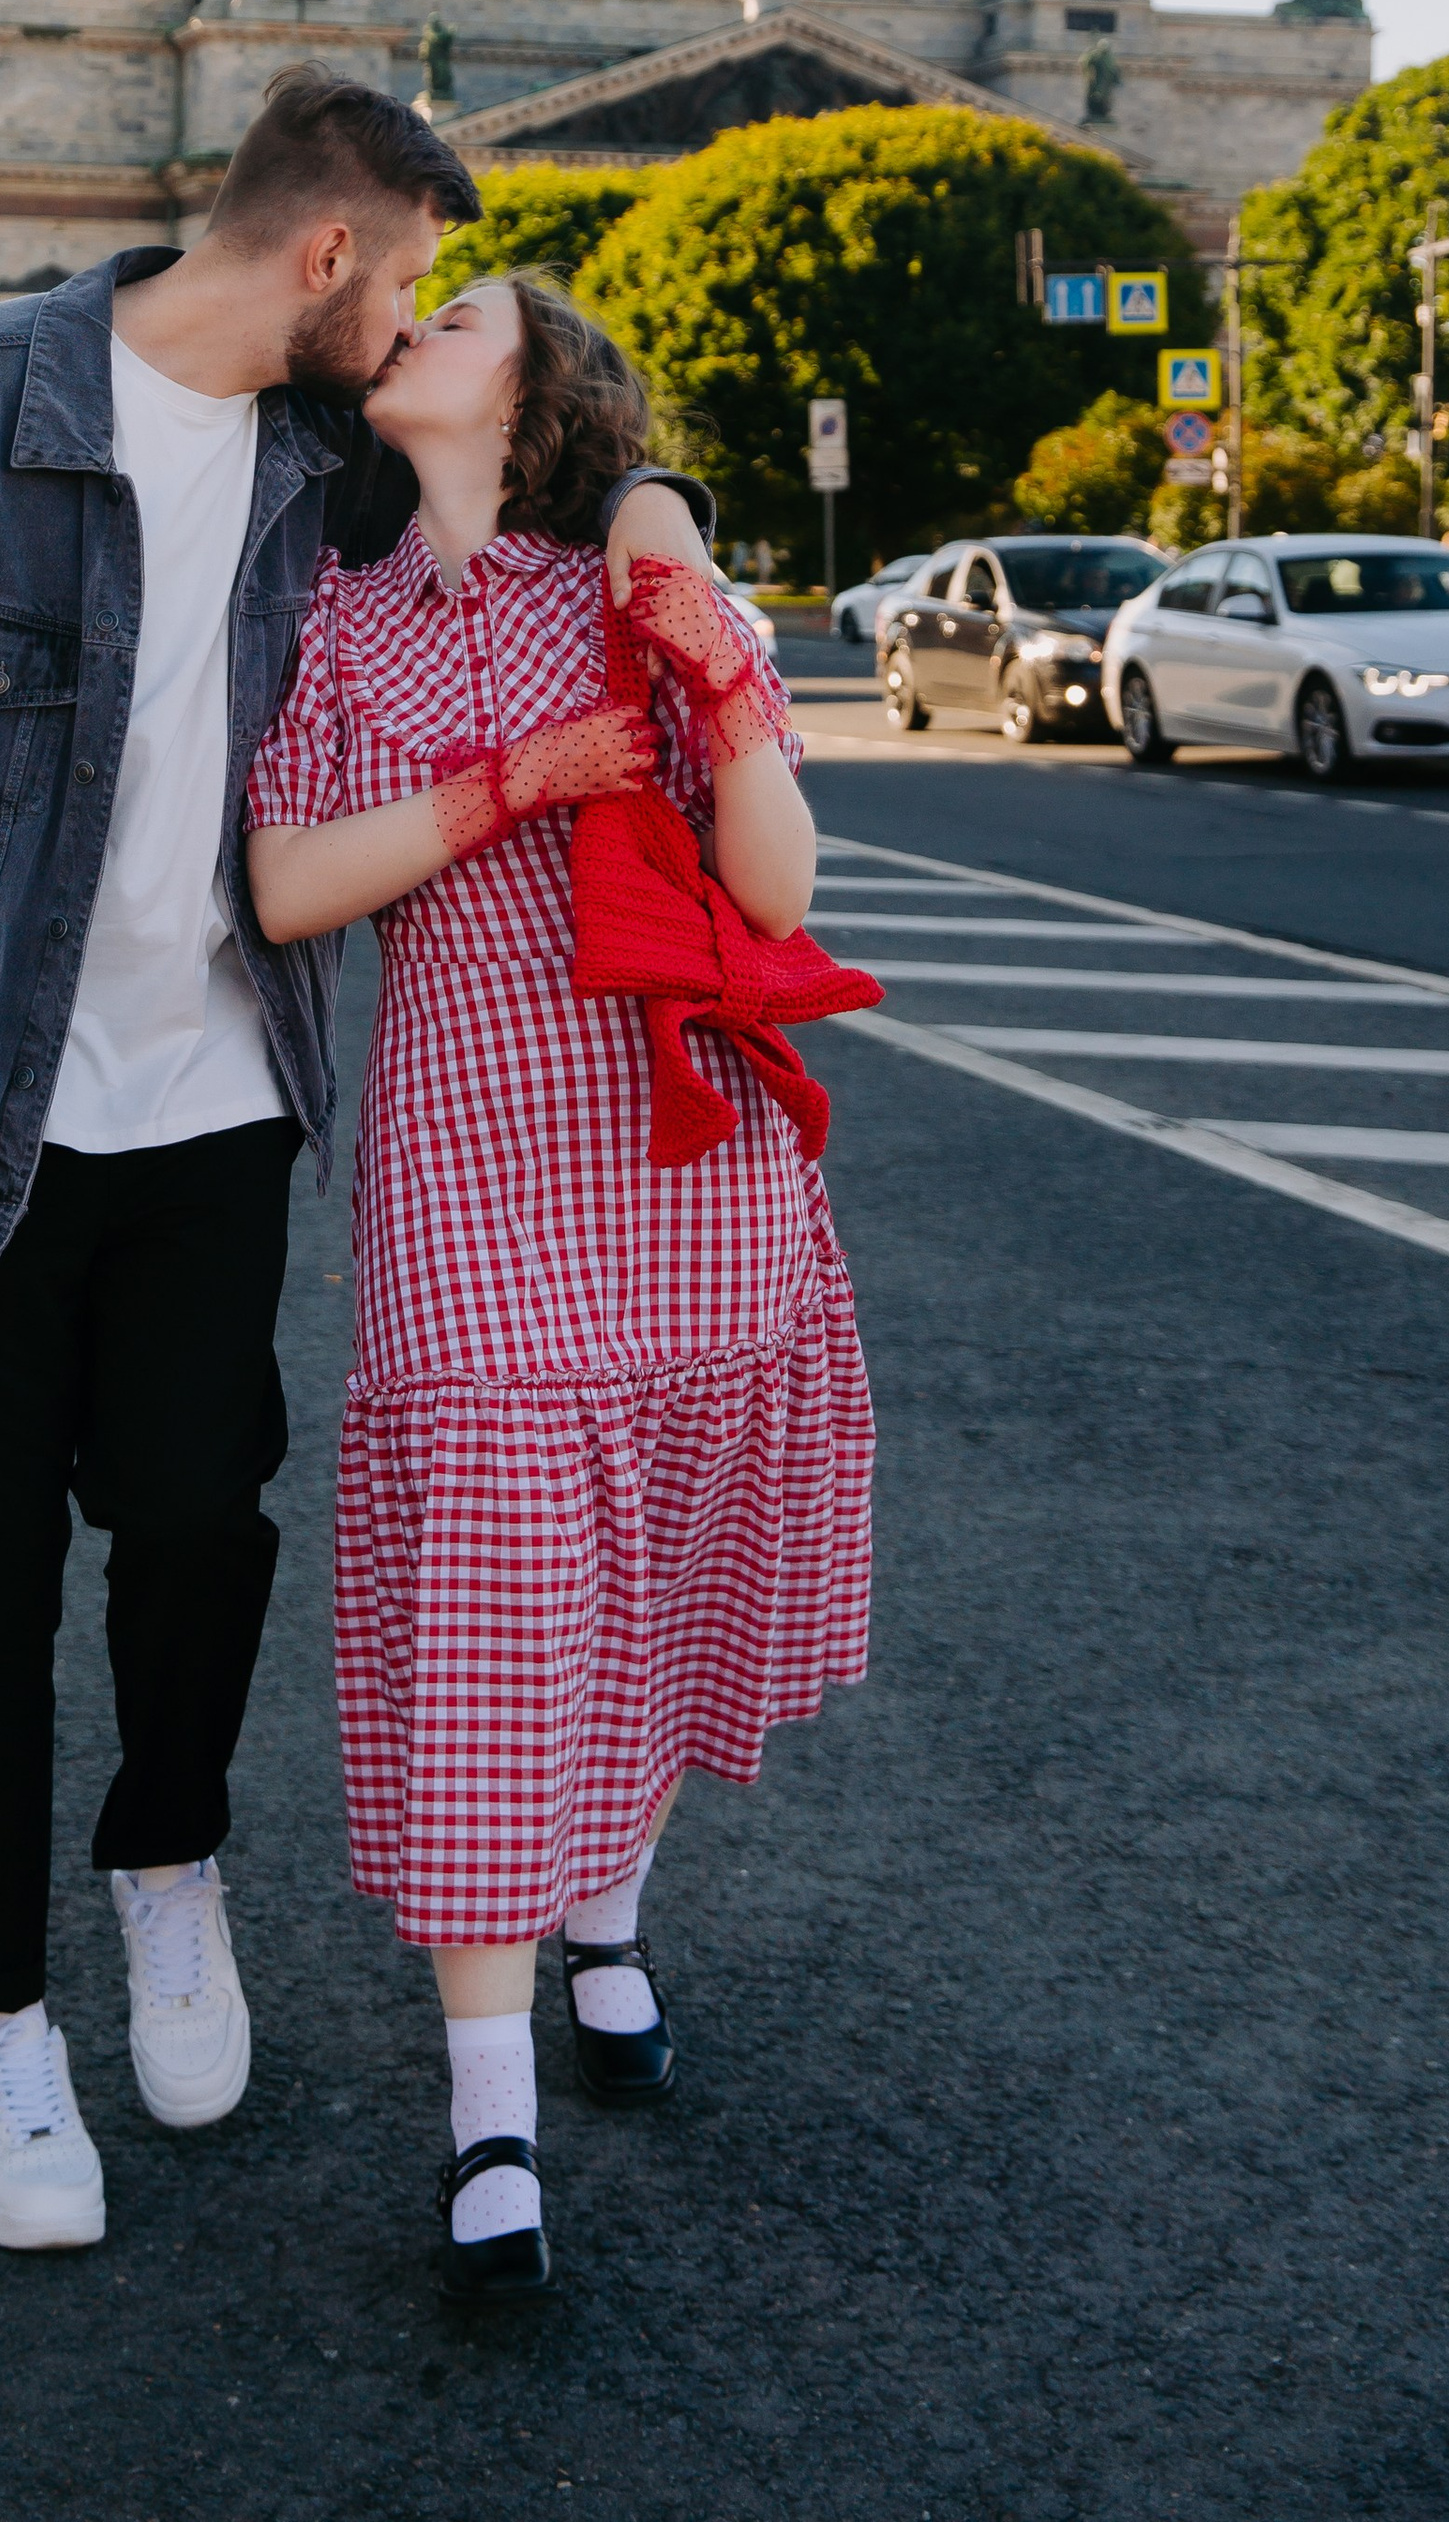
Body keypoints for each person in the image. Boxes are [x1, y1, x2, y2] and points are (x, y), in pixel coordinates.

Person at [0, 74, 713, 2259]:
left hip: (215, 1108)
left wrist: (662, 519)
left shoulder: (319, 453)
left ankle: (169, 1866)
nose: (424, 312)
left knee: (190, 1518)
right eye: (415, 274)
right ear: (329, 259)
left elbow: (556, 451)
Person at [244, 274, 875, 2298]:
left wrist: (721, 690)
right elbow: (282, 886)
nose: (412, 322)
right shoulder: (330, 622)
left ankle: (607, 1911)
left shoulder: (627, 574)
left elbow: (772, 890)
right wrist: (514, 778)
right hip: (461, 1166)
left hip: (679, 1156)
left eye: (458, 311)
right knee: (504, 1589)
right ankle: (486, 2123)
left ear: (538, 386)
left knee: (662, 1567)